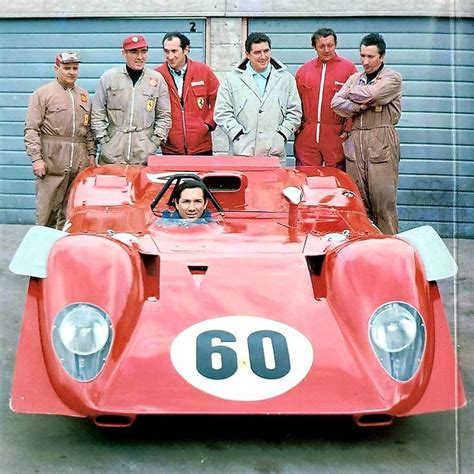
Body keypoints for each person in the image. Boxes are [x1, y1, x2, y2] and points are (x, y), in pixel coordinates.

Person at [331, 33, 402, 234]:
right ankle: (364, 253)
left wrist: (352, 94)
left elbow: (375, 94)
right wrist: (360, 106)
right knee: (359, 204)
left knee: (383, 204)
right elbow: (336, 103)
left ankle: (389, 253)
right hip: (356, 140)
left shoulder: (392, 77)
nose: (365, 61)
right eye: (362, 56)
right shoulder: (356, 78)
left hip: (381, 139)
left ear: (382, 56)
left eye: (370, 57)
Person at [24, 51, 96, 229]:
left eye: (75, 68)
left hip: (78, 164)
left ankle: (64, 252)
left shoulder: (84, 96)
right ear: (56, 69)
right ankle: (42, 252)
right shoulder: (42, 94)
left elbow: (88, 131)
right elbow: (31, 129)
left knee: (71, 213)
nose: (72, 72)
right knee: (46, 213)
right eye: (67, 68)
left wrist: (91, 157)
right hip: (52, 162)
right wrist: (36, 159)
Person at [214, 32, 302, 166]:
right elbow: (221, 112)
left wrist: (282, 135)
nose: (263, 56)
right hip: (242, 153)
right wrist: (237, 134)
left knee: (273, 187)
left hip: (274, 154)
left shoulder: (286, 79)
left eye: (266, 51)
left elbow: (295, 112)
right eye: (257, 52)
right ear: (247, 54)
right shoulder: (231, 79)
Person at [91, 35, 171, 165]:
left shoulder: (157, 80)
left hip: (144, 154)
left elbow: (164, 116)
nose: (140, 57)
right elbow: (97, 113)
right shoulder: (109, 78)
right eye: (134, 52)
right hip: (112, 154)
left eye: (143, 52)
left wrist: (154, 142)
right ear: (124, 53)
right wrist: (105, 141)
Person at [294, 28, 357, 169]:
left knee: (335, 176)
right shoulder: (304, 71)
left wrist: (347, 129)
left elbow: (355, 102)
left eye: (330, 45)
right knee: (306, 175)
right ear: (314, 47)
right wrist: (297, 128)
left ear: (336, 44)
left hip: (336, 134)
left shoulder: (349, 69)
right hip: (307, 133)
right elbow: (294, 103)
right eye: (322, 46)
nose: (327, 50)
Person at [154, 32, 220, 155]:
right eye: (166, 51)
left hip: (201, 148)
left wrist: (207, 125)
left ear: (186, 50)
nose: (170, 56)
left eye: (174, 51)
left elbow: (219, 100)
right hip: (171, 149)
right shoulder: (157, 75)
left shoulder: (203, 71)